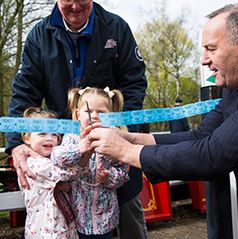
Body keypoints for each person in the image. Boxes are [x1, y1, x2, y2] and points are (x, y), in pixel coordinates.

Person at [88, 4, 238, 239]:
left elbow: (213, 154)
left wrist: (125, 151)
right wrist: (132, 138)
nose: (204, 60)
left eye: (211, 49)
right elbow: (200, 137)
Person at [6, 1, 148, 238]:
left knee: (129, 216)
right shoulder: (39, 36)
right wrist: (16, 143)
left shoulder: (116, 28)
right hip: (68, 157)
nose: (74, 6)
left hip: (116, 150)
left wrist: (122, 131)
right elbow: (24, 92)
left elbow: (134, 83)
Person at [51, 86, 130, 238]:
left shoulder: (115, 139)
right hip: (77, 217)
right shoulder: (72, 137)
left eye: (101, 112)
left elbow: (123, 173)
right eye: (88, 111)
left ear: (111, 115)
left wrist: (109, 177)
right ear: (78, 114)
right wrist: (80, 149)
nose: (94, 116)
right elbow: (56, 158)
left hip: (106, 218)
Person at [20, 107, 84, 239]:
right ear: (27, 138)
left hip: (60, 224)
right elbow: (66, 173)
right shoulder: (33, 164)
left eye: (54, 134)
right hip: (45, 228)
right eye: (42, 133)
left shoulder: (48, 161)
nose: (49, 138)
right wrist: (83, 152)